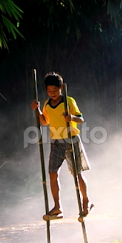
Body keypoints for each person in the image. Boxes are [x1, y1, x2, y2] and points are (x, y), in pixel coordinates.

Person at [31, 72, 92, 218]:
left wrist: (71, 117)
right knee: (52, 173)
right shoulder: (46, 104)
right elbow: (45, 122)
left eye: (55, 90)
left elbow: (81, 119)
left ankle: (86, 201)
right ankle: (57, 207)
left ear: (61, 88)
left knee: (77, 174)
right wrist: (37, 110)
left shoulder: (68, 101)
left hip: (71, 140)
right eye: (49, 91)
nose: (52, 94)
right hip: (56, 142)